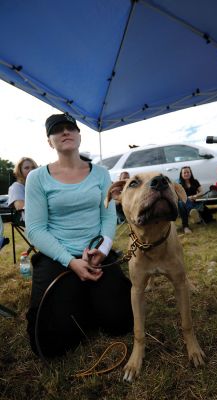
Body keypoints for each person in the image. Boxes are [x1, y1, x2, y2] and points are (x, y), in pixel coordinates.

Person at [25, 113, 133, 358]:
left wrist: (102, 250)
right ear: (49, 141)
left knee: (121, 323)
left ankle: (85, 300)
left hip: (96, 252)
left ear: (79, 136)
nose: (65, 132)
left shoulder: (101, 173)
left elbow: (107, 218)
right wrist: (71, 262)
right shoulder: (37, 177)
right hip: (58, 257)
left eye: (70, 128)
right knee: (52, 345)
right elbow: (35, 229)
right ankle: (78, 299)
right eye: (57, 130)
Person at [178, 166, 213, 234]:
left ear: (190, 173)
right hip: (185, 203)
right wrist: (188, 198)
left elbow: (202, 192)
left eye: (188, 172)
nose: (186, 174)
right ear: (181, 175)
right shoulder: (179, 184)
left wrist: (195, 195)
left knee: (181, 204)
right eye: (184, 173)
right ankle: (193, 213)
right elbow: (179, 196)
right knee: (181, 203)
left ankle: (186, 227)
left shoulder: (195, 181)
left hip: (195, 202)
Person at [8, 157, 38, 223]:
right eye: (26, 168)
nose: (31, 170)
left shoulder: (38, 185)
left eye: (33, 168)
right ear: (20, 171)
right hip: (31, 220)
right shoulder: (16, 187)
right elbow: (21, 207)